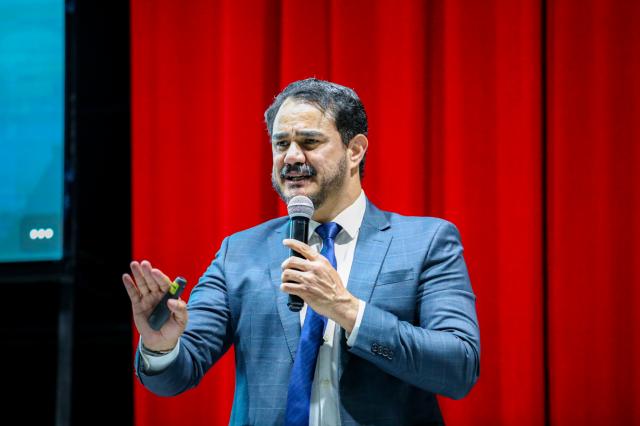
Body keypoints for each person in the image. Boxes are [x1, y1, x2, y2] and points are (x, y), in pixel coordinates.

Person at [122, 78, 480, 426]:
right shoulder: (239, 253)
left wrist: (347, 310)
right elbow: (175, 376)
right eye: (281, 144)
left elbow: (459, 367)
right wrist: (160, 347)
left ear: (355, 150)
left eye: (309, 141)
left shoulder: (425, 242)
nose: (291, 157)